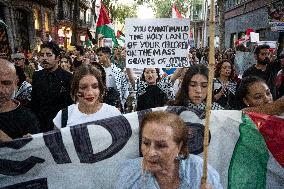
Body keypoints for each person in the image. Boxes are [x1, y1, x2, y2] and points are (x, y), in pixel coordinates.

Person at [115, 111, 222, 189]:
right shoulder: (129, 174)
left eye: (161, 146)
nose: (150, 153)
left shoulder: (200, 171)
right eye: (146, 143)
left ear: (179, 147)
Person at [53, 64, 121, 128]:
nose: (90, 93)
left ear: (100, 88)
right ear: (75, 89)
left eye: (95, 87)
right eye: (83, 87)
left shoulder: (113, 114)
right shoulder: (63, 117)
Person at [31, 41, 73, 132]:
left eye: (49, 55)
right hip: (41, 125)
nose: (44, 58)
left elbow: (70, 104)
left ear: (57, 58)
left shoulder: (68, 77)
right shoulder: (37, 76)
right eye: (42, 55)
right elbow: (34, 102)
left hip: (61, 126)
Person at [0, 59, 39, 142]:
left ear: (15, 83)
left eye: (6, 83)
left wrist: (9, 141)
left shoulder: (28, 118)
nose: (1, 90)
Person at [96, 47, 129, 111]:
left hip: (115, 101)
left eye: (101, 55)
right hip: (102, 100)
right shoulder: (98, 70)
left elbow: (124, 87)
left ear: (107, 55)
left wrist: (123, 101)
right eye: (98, 55)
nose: (98, 57)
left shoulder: (117, 70)